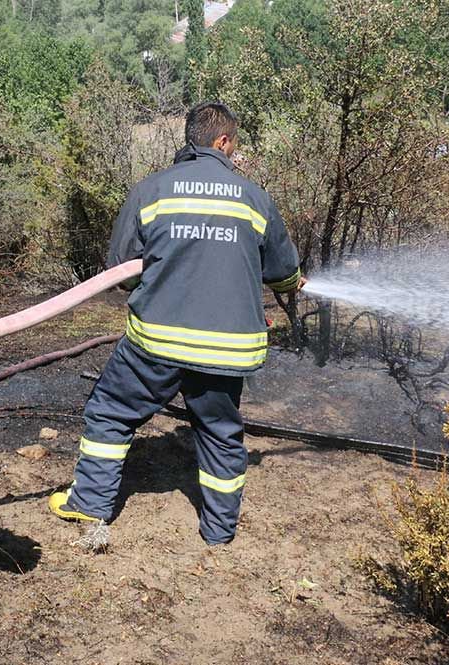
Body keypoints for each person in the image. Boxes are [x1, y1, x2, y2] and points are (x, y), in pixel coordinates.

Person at [48, 102, 304, 546]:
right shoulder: (254, 197)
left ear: (191, 139)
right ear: (222, 142)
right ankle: (219, 533)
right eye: (234, 142)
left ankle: (90, 505)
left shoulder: (152, 190)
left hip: (157, 343)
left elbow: (120, 268)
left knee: (110, 413)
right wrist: (292, 281)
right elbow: (283, 272)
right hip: (227, 349)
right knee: (221, 432)